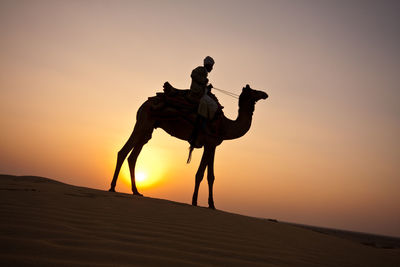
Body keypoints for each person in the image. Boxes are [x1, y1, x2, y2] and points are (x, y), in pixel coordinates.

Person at [188, 56, 221, 149]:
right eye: (211, 66)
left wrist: (207, 87)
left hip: (200, 92)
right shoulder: (201, 70)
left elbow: (202, 84)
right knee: (211, 105)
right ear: (208, 65)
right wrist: (204, 81)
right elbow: (193, 74)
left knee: (212, 103)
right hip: (196, 93)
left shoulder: (204, 73)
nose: (212, 68)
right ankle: (203, 125)